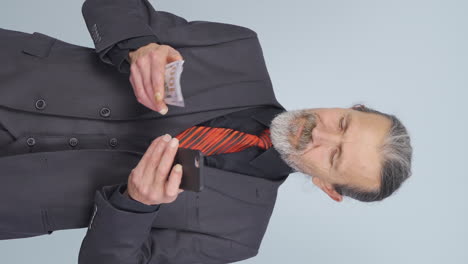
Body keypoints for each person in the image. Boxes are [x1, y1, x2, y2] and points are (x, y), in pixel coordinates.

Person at [0, 0, 413, 263]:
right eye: (341, 123)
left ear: (328, 186)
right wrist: (140, 45)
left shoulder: (237, 237)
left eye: (334, 156)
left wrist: (137, 206)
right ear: (349, 107)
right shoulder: (238, 50)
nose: (318, 134)